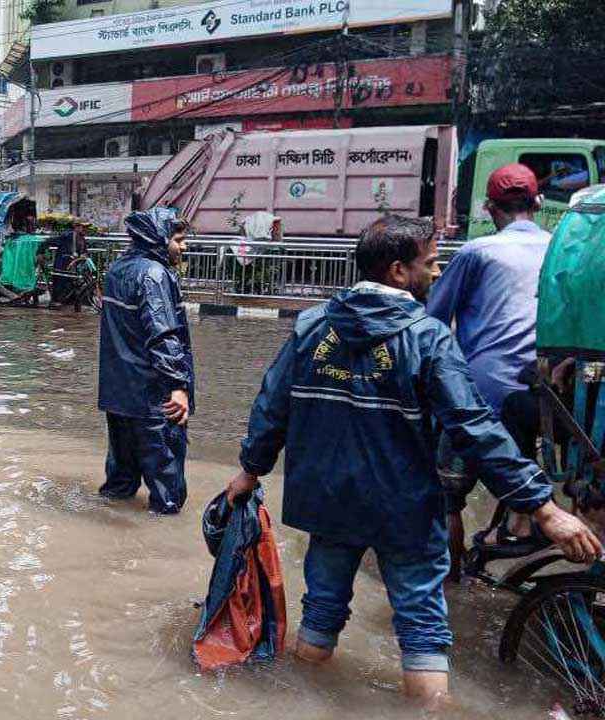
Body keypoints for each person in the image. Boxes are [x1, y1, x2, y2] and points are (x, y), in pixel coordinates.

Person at [224, 215, 600, 704]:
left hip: (329, 502)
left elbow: (271, 406)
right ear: (399, 271)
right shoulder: (428, 338)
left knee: (320, 612)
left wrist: (249, 471)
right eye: (431, 263)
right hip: (403, 508)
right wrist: (542, 507)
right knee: (422, 629)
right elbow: (474, 427)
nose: (438, 272)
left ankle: (300, 704)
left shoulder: (312, 326)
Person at [426, 163, 551, 575]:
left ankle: (449, 583)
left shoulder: (477, 251)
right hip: (545, 396)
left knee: (447, 497)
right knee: (523, 472)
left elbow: (433, 320)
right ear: (538, 203)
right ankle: (516, 522)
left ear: (488, 208)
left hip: (479, 393)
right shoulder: (556, 248)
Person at [97, 207, 194, 514]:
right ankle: (161, 552)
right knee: (168, 492)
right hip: (153, 398)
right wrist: (178, 386)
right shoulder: (154, 275)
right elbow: (163, 335)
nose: (184, 246)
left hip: (118, 395)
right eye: (178, 239)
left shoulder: (117, 270)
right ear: (159, 238)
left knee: (120, 483)